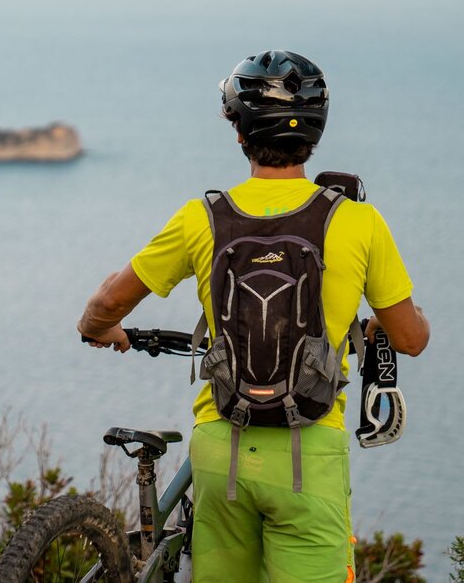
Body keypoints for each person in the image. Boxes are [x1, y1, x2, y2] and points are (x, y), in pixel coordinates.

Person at [76, 50, 430, 583]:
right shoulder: (357, 222)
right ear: (315, 134)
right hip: (309, 452)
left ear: (239, 134)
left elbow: (106, 304)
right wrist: (381, 325)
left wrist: (101, 330)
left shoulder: (203, 217)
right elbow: (411, 337)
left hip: (222, 448)